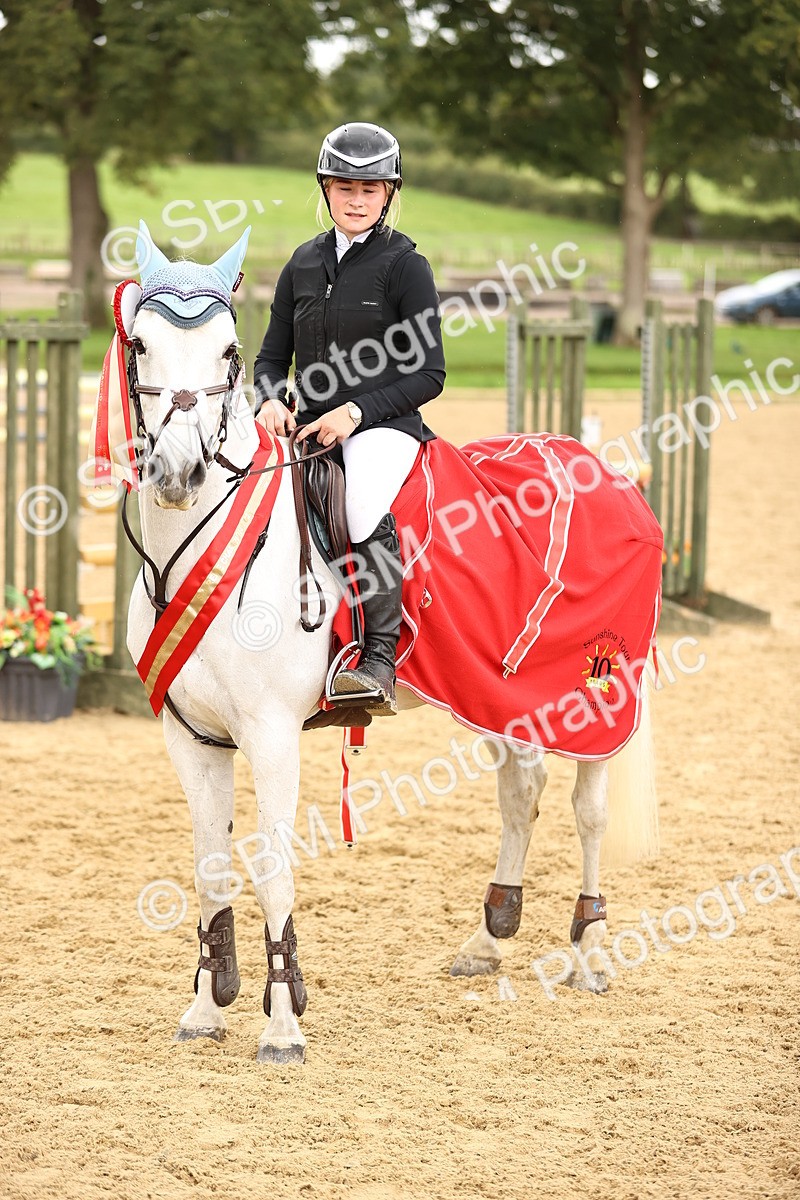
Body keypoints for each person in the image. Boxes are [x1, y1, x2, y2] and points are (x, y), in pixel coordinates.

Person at [253, 122, 445, 716]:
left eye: (371, 189)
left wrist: (355, 411)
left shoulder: (406, 266)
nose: (357, 200)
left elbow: (429, 373)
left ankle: (378, 659)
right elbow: (268, 358)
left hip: (383, 428)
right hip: (307, 428)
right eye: (345, 188)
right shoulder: (302, 263)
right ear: (325, 189)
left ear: (389, 193)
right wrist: (268, 399)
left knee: (361, 503)